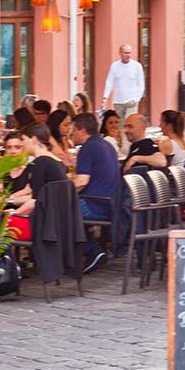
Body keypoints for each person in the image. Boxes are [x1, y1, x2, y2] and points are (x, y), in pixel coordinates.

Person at [71, 112, 121, 272]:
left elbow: (81, 181)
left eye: (74, 129)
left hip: (97, 204)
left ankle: (91, 250)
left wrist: (58, 191)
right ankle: (92, 249)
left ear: (82, 130)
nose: (72, 133)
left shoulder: (87, 147)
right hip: (113, 202)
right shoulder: (106, 145)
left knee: (60, 209)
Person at [5, 124, 68, 242]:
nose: (23, 145)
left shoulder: (40, 163)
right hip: (58, 222)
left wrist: (14, 212)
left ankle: (4, 259)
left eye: (24, 140)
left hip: (43, 225)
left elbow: (36, 201)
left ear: (33, 139)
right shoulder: (56, 161)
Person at [103, 44, 145, 119]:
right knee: (120, 126)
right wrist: (105, 97)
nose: (128, 55)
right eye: (126, 53)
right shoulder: (115, 66)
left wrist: (136, 99)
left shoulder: (137, 66)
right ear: (120, 53)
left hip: (131, 101)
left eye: (129, 53)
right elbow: (109, 82)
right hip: (118, 101)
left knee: (129, 123)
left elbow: (141, 83)